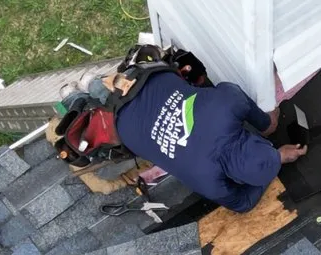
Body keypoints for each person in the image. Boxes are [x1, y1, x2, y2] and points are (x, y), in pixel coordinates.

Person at [114, 70, 306, 213]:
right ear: (236, 178)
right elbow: (243, 203)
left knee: (267, 120)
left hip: (153, 82)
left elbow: (265, 124)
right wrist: (276, 160)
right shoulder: (209, 183)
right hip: (125, 126)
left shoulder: (230, 102)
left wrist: (272, 144)